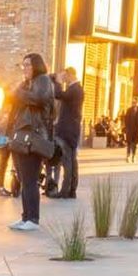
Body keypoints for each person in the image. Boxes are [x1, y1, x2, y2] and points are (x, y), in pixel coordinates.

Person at [4, 51, 57, 231]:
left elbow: (39, 99)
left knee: (30, 179)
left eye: (28, 65)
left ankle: (33, 219)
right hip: (21, 136)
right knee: (23, 178)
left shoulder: (43, 80)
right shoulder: (26, 84)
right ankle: (25, 217)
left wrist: (19, 91)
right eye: (23, 65)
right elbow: (11, 99)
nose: (25, 68)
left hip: (34, 137)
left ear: (36, 66)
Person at [46, 66, 83, 198]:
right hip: (70, 131)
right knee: (71, 162)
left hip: (68, 132)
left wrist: (57, 82)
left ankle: (66, 191)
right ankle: (71, 190)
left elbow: (59, 95)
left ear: (70, 74)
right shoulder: (75, 89)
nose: (64, 78)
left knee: (68, 162)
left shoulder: (75, 89)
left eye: (65, 75)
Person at [122, 96, 138, 162]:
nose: (133, 103)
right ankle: (128, 156)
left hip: (136, 130)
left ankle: (133, 156)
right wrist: (126, 128)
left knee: (134, 144)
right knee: (129, 143)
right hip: (129, 130)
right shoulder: (129, 110)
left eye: (135, 102)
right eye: (133, 102)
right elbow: (126, 119)